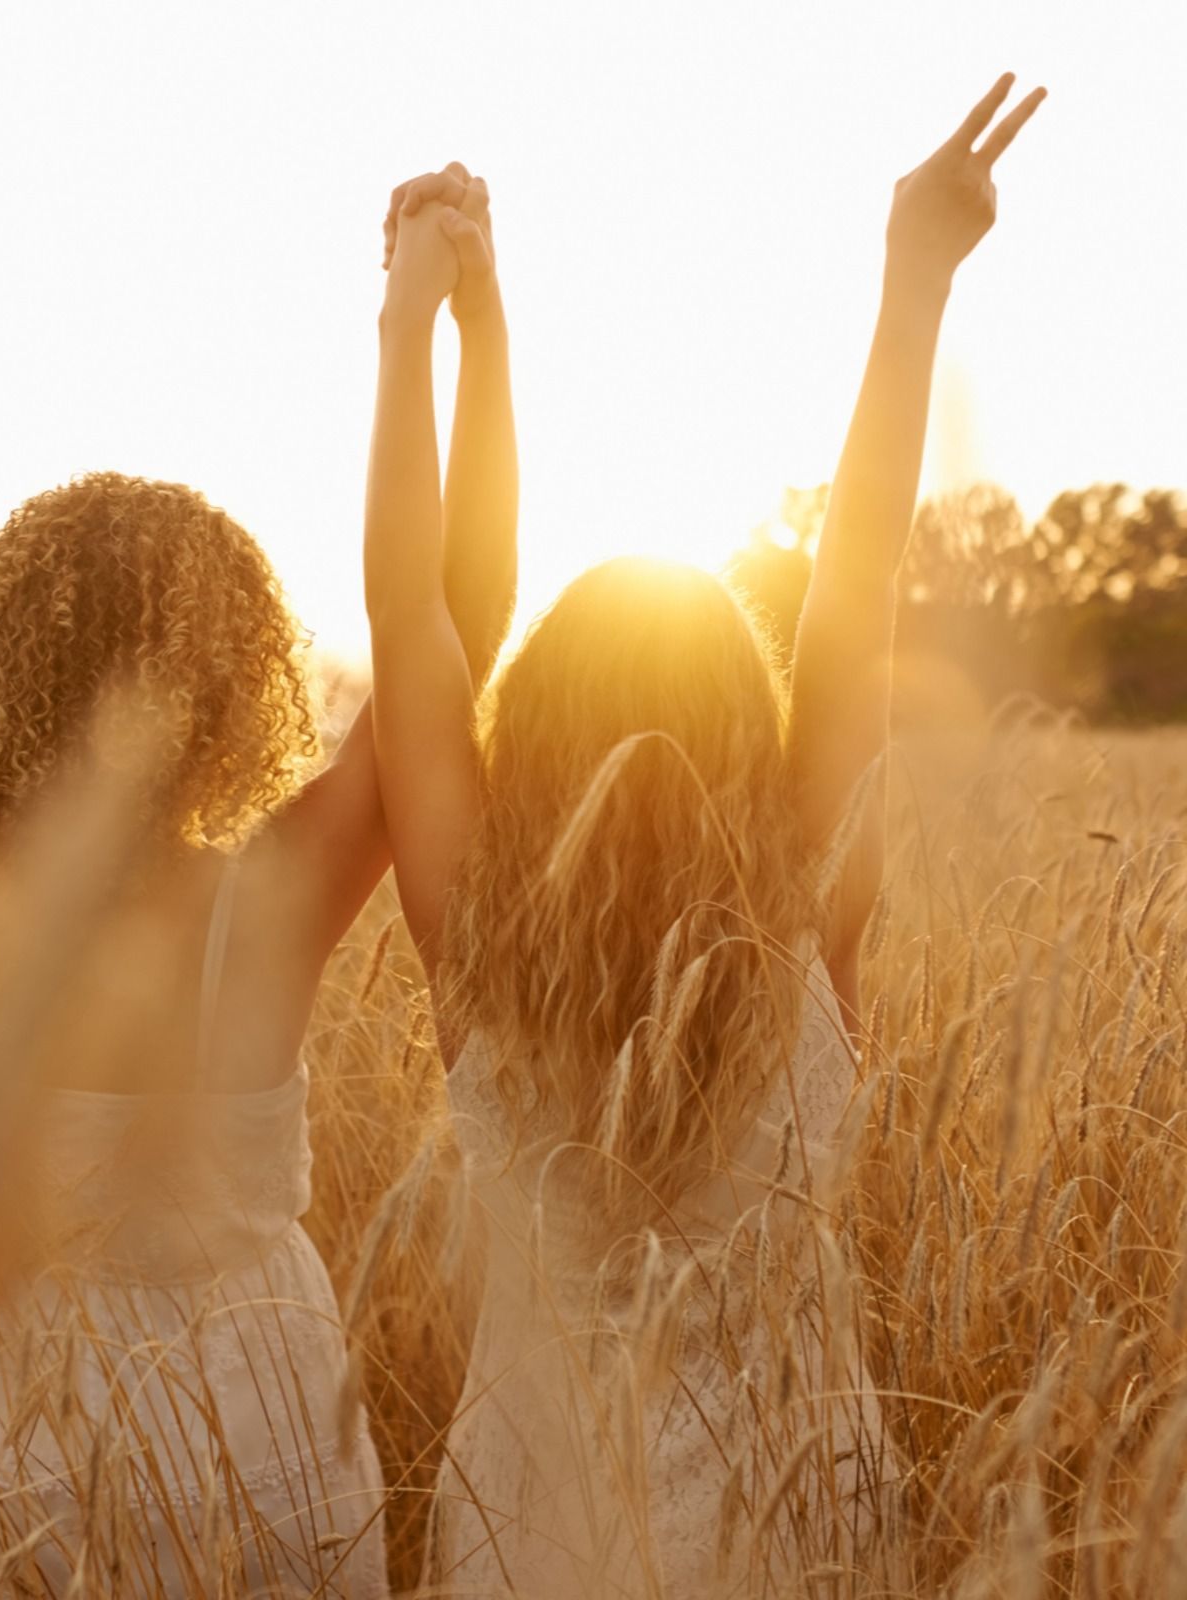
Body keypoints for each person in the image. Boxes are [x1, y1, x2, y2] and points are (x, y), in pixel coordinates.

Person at [0, 121, 516, 1596]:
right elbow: (448, 621)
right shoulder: (269, 893)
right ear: (230, 681)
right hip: (276, 1431)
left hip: (49, 1453)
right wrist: (440, 326)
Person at [365, 80, 1044, 1596]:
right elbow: (857, 568)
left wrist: (434, 322)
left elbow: (411, 613)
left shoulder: (471, 930)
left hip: (529, 1537)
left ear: (526, 735)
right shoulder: (813, 893)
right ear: (752, 717)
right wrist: (913, 275)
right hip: (791, 1525)